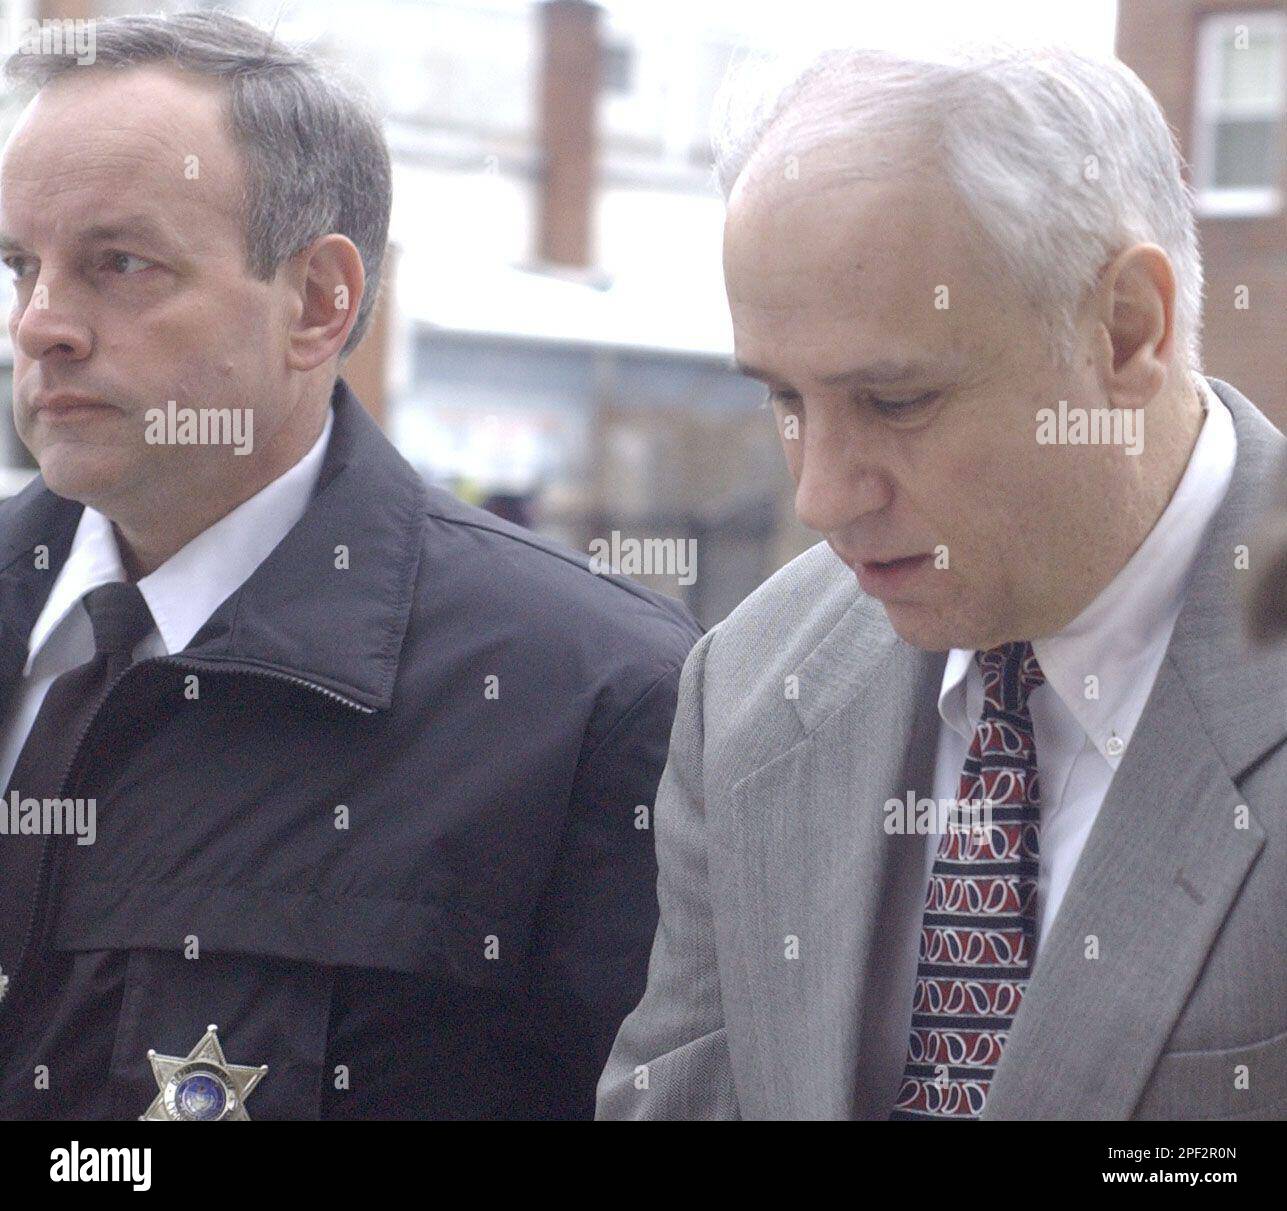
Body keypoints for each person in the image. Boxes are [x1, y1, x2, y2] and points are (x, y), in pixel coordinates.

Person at [0, 10, 699, 1120]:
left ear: (319, 302)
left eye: (118, 264)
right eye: (21, 265)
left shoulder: (588, 699)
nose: (41, 324)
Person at [598, 41, 1287, 1120]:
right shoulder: (748, 684)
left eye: (897, 400)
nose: (822, 498)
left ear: (1127, 329)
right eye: (785, 398)